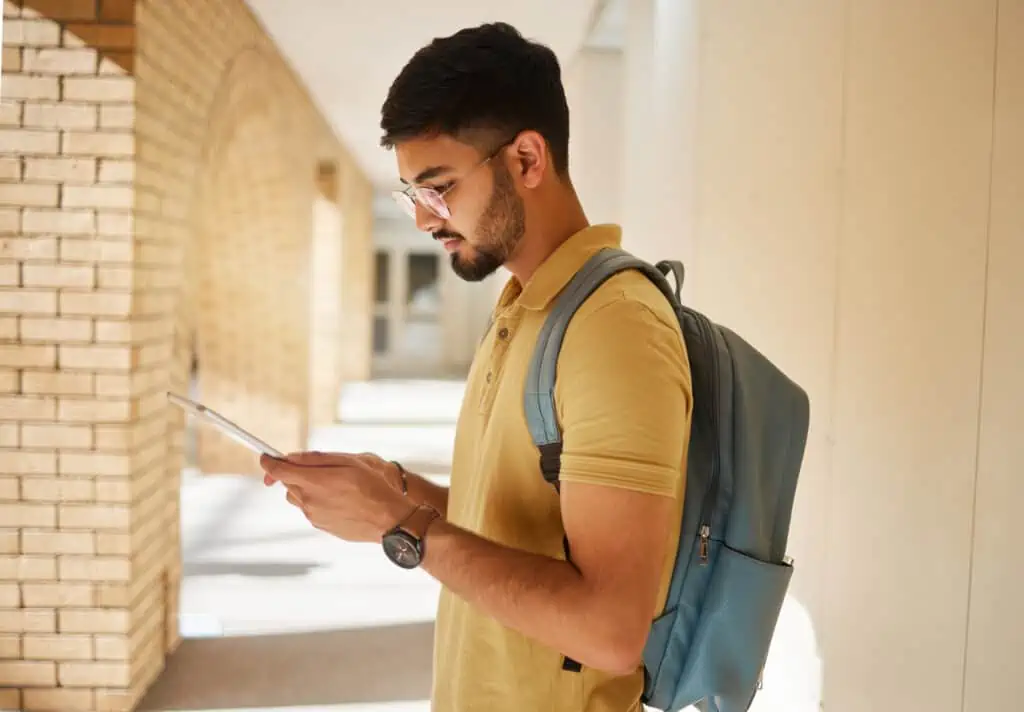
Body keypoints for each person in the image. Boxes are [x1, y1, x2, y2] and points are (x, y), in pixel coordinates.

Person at [260, 21, 693, 712]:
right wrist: (396, 490)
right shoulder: (523, 307)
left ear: (526, 159)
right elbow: (515, 531)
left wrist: (402, 529)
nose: (425, 220)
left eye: (439, 187)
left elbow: (611, 632)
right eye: (412, 196)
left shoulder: (613, 329)